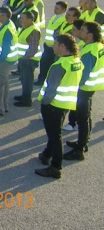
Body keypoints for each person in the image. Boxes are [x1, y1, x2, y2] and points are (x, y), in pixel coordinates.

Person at [35, 34, 83, 179]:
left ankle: (55, 167)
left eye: (55, 44)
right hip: (65, 103)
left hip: (53, 105)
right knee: (54, 132)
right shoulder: (76, 62)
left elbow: (51, 88)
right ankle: (46, 154)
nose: (53, 46)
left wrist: (45, 102)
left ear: (62, 46)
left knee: (55, 136)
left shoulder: (59, 65)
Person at [64, 22, 104, 160]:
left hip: (84, 89)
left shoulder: (89, 51)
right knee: (86, 116)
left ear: (90, 35)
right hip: (91, 87)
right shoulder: (98, 46)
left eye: (82, 30)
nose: (79, 32)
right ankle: (83, 142)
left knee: (82, 118)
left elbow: (83, 74)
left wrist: (74, 86)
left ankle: (79, 149)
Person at [13, 11, 42, 107]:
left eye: (23, 18)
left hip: (29, 60)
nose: (20, 20)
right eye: (20, 17)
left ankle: (26, 100)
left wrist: (24, 59)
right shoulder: (25, 28)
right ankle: (24, 96)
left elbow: (33, 48)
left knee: (27, 80)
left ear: (30, 20)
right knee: (23, 79)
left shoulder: (33, 31)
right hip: (23, 59)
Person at [37, 1, 67, 85]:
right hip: (48, 45)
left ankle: (45, 81)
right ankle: (42, 80)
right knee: (44, 63)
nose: (55, 9)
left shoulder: (64, 19)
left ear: (64, 10)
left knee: (49, 64)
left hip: (54, 47)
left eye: (57, 8)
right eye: (55, 7)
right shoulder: (54, 17)